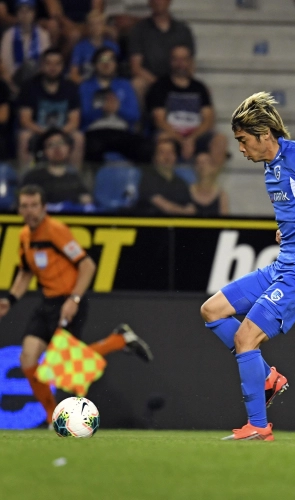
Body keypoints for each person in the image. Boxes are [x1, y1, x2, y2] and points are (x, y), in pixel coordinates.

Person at [199, 92, 295, 441]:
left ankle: (258, 425)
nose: (240, 149)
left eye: (243, 140)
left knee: (245, 336)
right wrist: (289, 229)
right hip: (284, 264)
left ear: (264, 134)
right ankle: (268, 377)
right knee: (212, 310)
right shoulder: (270, 166)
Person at [0, 184, 152, 426]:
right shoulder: (24, 236)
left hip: (70, 301)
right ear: (19, 208)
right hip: (47, 302)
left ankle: (119, 340)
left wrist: (74, 299)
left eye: (34, 206)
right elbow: (25, 272)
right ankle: (52, 418)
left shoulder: (56, 231)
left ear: (43, 207)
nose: (29, 211)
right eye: (24, 206)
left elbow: (87, 265)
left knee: (63, 368)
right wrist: (10, 299)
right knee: (28, 359)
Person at [146, 45, 227, 168]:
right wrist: (181, 140)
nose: (180, 63)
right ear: (171, 61)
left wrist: (191, 139)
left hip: (195, 135)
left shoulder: (199, 88)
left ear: (190, 62)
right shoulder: (160, 86)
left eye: (184, 59)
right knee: (162, 141)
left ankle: (210, 184)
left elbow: (209, 119)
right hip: (171, 134)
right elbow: (159, 120)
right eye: (176, 59)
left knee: (220, 140)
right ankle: (164, 183)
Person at [79, 46, 152, 167]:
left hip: (121, 131)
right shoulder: (85, 87)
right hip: (95, 131)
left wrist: (118, 109)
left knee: (145, 148)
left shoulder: (125, 85)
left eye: (110, 60)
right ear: (95, 64)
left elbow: (135, 115)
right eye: (102, 60)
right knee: (92, 148)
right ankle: (91, 184)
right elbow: (82, 116)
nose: (106, 64)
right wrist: (101, 111)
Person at [17, 48, 84, 168]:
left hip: (63, 132)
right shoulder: (29, 87)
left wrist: (57, 134)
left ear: (63, 66)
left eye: (57, 63)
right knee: (24, 137)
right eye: (48, 63)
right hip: (38, 131)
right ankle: (24, 181)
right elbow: (25, 120)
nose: (53, 67)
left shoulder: (70, 88)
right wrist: (45, 133)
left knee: (78, 137)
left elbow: (74, 121)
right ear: (41, 66)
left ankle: (74, 179)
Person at [129, 0, 195, 100]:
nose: (158, 2)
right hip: (150, 81)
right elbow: (136, 67)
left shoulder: (183, 30)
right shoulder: (139, 30)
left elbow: (190, 64)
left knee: (202, 90)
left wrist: (178, 82)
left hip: (177, 79)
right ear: (149, 2)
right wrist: (159, 85)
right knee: (137, 84)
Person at [21, 128, 91, 209]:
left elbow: (87, 200)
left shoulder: (76, 177)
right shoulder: (33, 176)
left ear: (69, 147)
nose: (57, 148)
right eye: (51, 145)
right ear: (44, 151)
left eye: (61, 143)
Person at [0, 0, 50, 95]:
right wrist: (11, 86)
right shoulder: (9, 35)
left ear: (34, 14)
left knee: (31, 65)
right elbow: (4, 66)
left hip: (36, 81)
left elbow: (45, 62)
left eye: (28, 11)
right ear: (17, 14)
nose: (24, 15)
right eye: (21, 11)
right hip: (14, 81)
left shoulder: (43, 35)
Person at [137, 138, 195, 216]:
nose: (166, 156)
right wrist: (184, 212)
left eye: (170, 152)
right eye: (162, 152)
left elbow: (191, 208)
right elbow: (165, 207)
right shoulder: (147, 177)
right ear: (155, 157)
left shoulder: (181, 183)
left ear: (176, 157)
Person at [68, 11, 119, 84]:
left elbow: (117, 71)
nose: (95, 27)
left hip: (109, 85)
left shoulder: (113, 47)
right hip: (86, 84)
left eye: (99, 24)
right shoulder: (79, 47)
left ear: (104, 26)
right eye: (92, 24)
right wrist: (86, 86)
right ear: (87, 27)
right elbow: (73, 74)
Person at [190, 152, 229, 217]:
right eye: (199, 162)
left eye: (205, 162)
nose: (202, 165)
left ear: (212, 167)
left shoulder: (221, 195)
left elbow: (225, 221)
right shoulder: (188, 191)